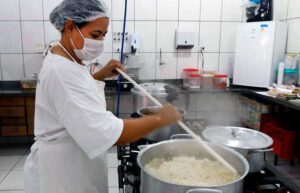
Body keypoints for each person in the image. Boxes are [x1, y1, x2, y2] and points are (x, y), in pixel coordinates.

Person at [23, 0, 181, 193]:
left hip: (74, 160)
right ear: (70, 26)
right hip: (65, 174)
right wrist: (160, 119)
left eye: (103, 35)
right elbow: (111, 133)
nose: (99, 42)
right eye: (95, 35)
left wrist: (101, 75)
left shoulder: (65, 56)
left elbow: (76, 92)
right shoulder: (62, 71)